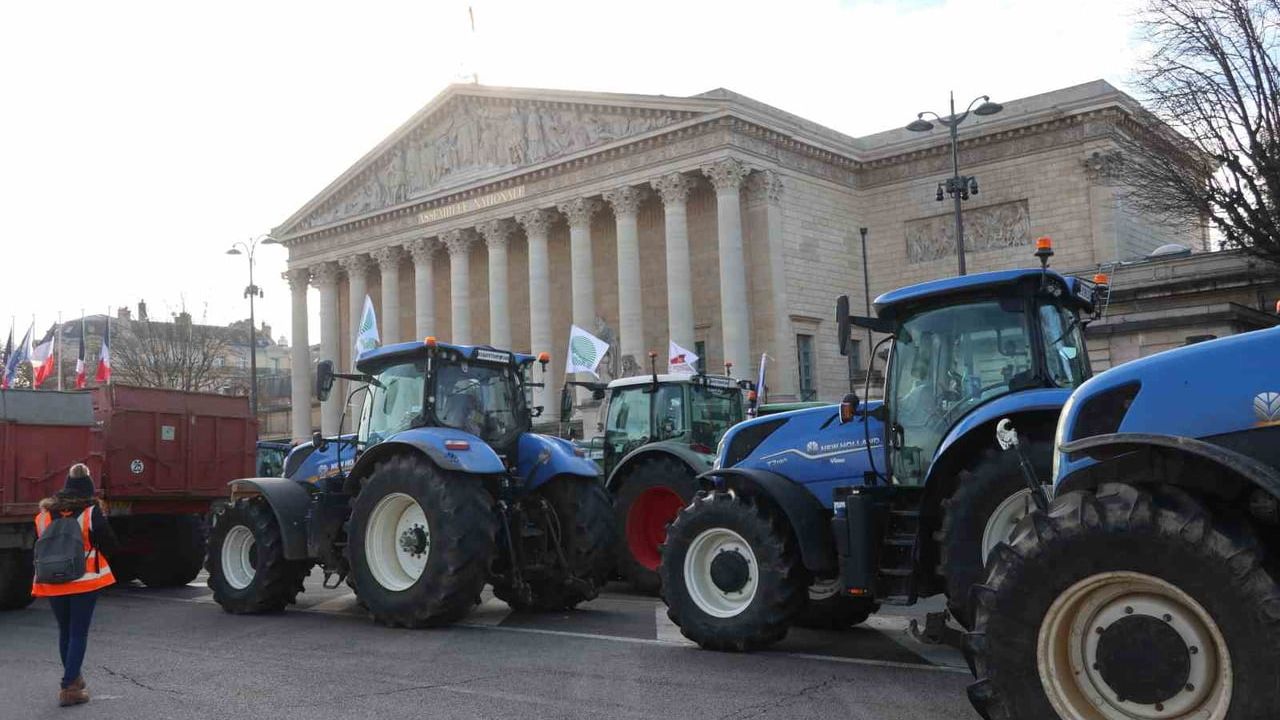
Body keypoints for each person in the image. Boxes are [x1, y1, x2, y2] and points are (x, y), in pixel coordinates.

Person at [31, 463, 119, 707]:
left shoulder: (44, 515)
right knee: (78, 633)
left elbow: (37, 545)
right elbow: (110, 543)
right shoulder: (91, 512)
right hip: (84, 581)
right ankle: (69, 686)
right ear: (88, 489)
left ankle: (74, 678)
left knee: (65, 631)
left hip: (52, 581)